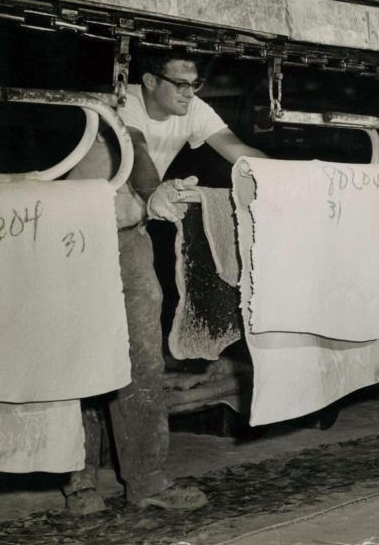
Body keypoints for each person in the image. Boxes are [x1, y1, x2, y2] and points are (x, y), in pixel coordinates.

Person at [63, 49, 267, 515]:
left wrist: (294, 179)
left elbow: (239, 153)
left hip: (127, 230)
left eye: (194, 84)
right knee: (80, 350)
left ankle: (147, 482)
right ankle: (78, 481)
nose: (189, 93)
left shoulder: (191, 108)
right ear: (150, 81)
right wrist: (157, 194)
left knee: (142, 352)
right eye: (179, 83)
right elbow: (136, 155)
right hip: (74, 232)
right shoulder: (123, 100)